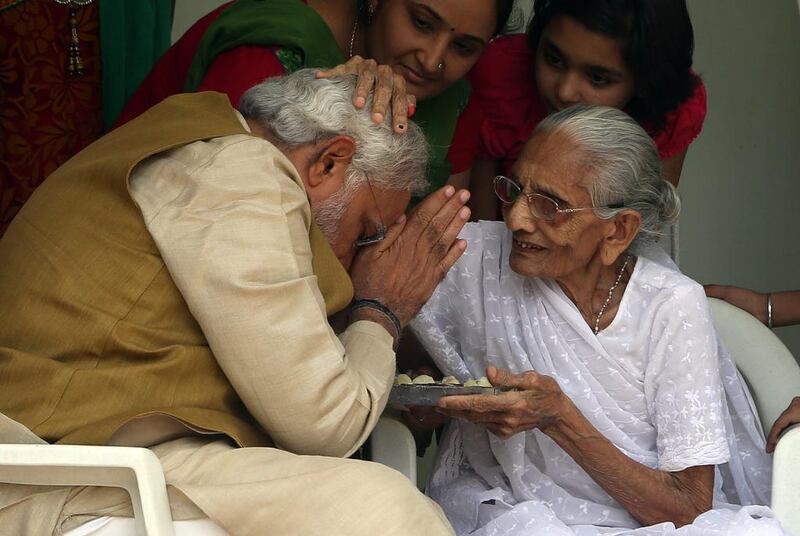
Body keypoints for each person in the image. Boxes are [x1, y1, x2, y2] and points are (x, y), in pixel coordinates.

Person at [0, 70, 472, 535]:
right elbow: (325, 426)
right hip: (61, 473)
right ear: (329, 162)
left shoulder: (205, 139)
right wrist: (381, 309)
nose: (360, 262)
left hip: (107, 458)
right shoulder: (239, 172)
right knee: (386, 513)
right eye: (366, 232)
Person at [410, 106, 786, 535]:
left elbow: (688, 508)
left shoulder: (671, 305)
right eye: (514, 189)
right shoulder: (476, 257)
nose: (516, 218)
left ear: (618, 231)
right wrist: (422, 393)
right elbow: (381, 313)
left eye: (549, 205)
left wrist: (559, 419)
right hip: (519, 511)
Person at [115, 0, 514, 199]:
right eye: (421, 23)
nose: (432, 60)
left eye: (463, 46)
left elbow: (432, 243)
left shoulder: (456, 99)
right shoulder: (272, 50)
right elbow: (213, 205)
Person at [466, 0, 706, 220]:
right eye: (553, 59)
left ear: (645, 82)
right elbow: (485, 234)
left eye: (597, 78)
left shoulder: (672, 113)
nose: (565, 92)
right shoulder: (501, 76)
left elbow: (635, 234)